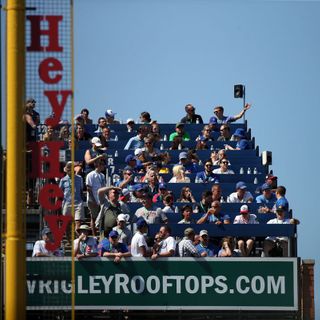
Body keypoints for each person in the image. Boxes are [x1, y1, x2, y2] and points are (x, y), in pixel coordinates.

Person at [59, 161, 85, 231]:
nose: (70, 171)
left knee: (78, 222)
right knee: (66, 224)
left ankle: (76, 239)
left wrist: (83, 200)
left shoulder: (79, 178)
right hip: (67, 203)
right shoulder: (63, 180)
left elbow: (81, 190)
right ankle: (69, 240)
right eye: (68, 169)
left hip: (78, 202)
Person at [85, 159, 106, 235]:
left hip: (101, 199)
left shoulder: (102, 175)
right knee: (93, 218)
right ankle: (94, 235)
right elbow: (88, 188)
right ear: (99, 165)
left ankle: (100, 233)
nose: (104, 166)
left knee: (101, 217)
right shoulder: (90, 175)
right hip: (93, 200)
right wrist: (93, 200)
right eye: (103, 165)